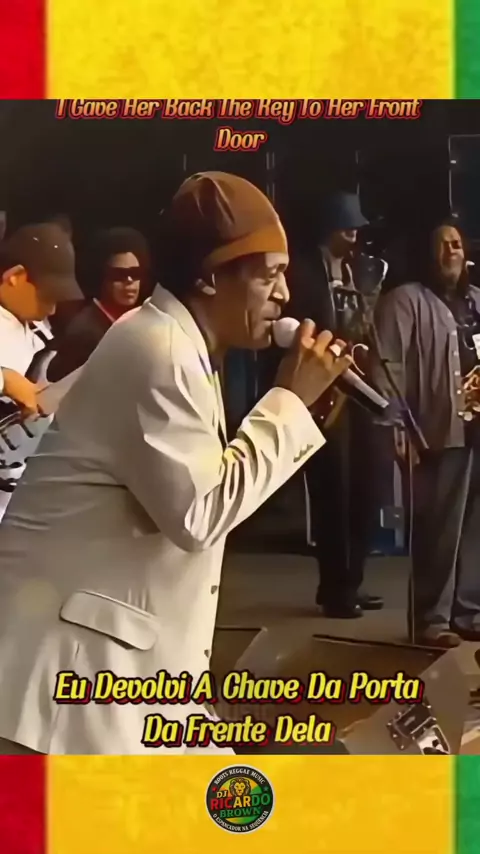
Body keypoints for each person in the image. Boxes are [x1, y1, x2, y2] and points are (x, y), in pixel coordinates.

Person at [0, 172, 351, 755]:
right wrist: (288, 402)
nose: (285, 295)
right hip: (67, 676)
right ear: (210, 276)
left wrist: (301, 412)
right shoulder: (158, 349)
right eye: (268, 275)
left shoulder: (178, 344)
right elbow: (198, 513)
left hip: (118, 672)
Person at [372, 220, 480, 647]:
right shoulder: (405, 301)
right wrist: (396, 424)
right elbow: (388, 365)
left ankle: (468, 612)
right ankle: (431, 619)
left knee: (475, 527)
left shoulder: (475, 301)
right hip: (436, 430)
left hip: (477, 431)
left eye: (457, 244)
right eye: (442, 245)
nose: (451, 250)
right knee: (438, 528)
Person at [288, 191, 383, 618]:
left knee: (364, 486)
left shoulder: (359, 270)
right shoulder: (304, 274)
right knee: (333, 491)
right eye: (347, 227)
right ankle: (335, 588)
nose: (354, 234)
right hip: (325, 393)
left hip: (359, 388)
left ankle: (353, 581)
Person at [0, 223, 83, 520]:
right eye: (46, 296)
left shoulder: (37, 330)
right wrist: (5, 379)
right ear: (15, 277)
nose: (52, 309)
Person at [47, 227, 151, 381]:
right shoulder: (84, 333)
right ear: (101, 276)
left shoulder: (133, 323)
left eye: (135, 273)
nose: (129, 281)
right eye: (119, 275)